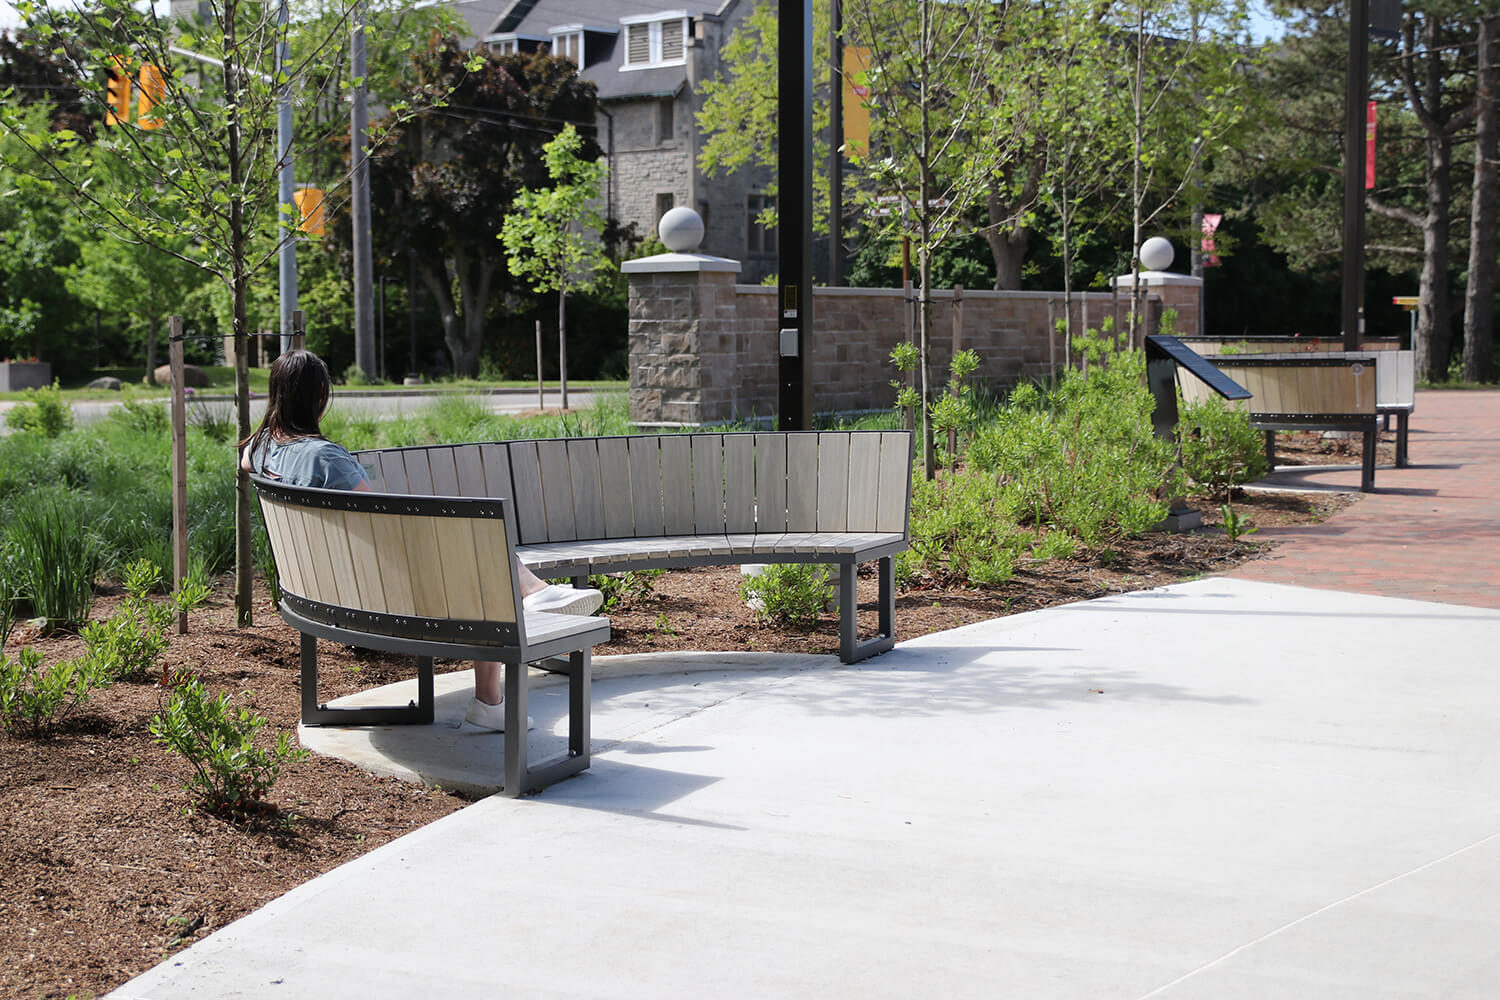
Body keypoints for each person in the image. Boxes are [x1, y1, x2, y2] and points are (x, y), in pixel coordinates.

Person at [240, 349, 603, 732]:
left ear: (276, 394)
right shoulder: (326, 457)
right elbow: (382, 520)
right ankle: (506, 659)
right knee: (482, 549)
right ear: (319, 398)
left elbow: (246, 461)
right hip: (382, 592)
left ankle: (534, 596)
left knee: (478, 546)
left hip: (322, 588)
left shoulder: (259, 446)